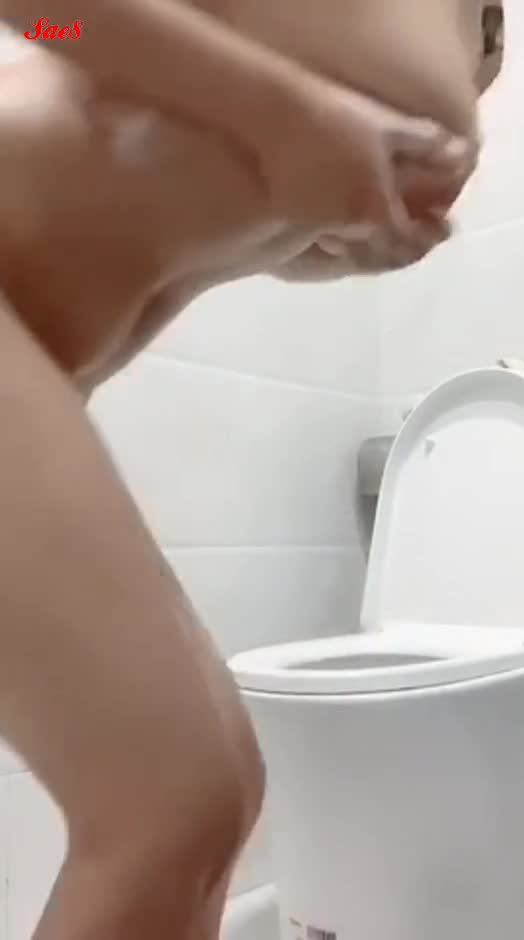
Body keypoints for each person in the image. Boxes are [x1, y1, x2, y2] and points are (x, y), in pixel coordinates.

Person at [0, 2, 483, 938]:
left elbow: (188, 199)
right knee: (166, 803)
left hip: (41, 358)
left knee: (221, 785)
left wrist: (344, 229)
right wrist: (289, 116)